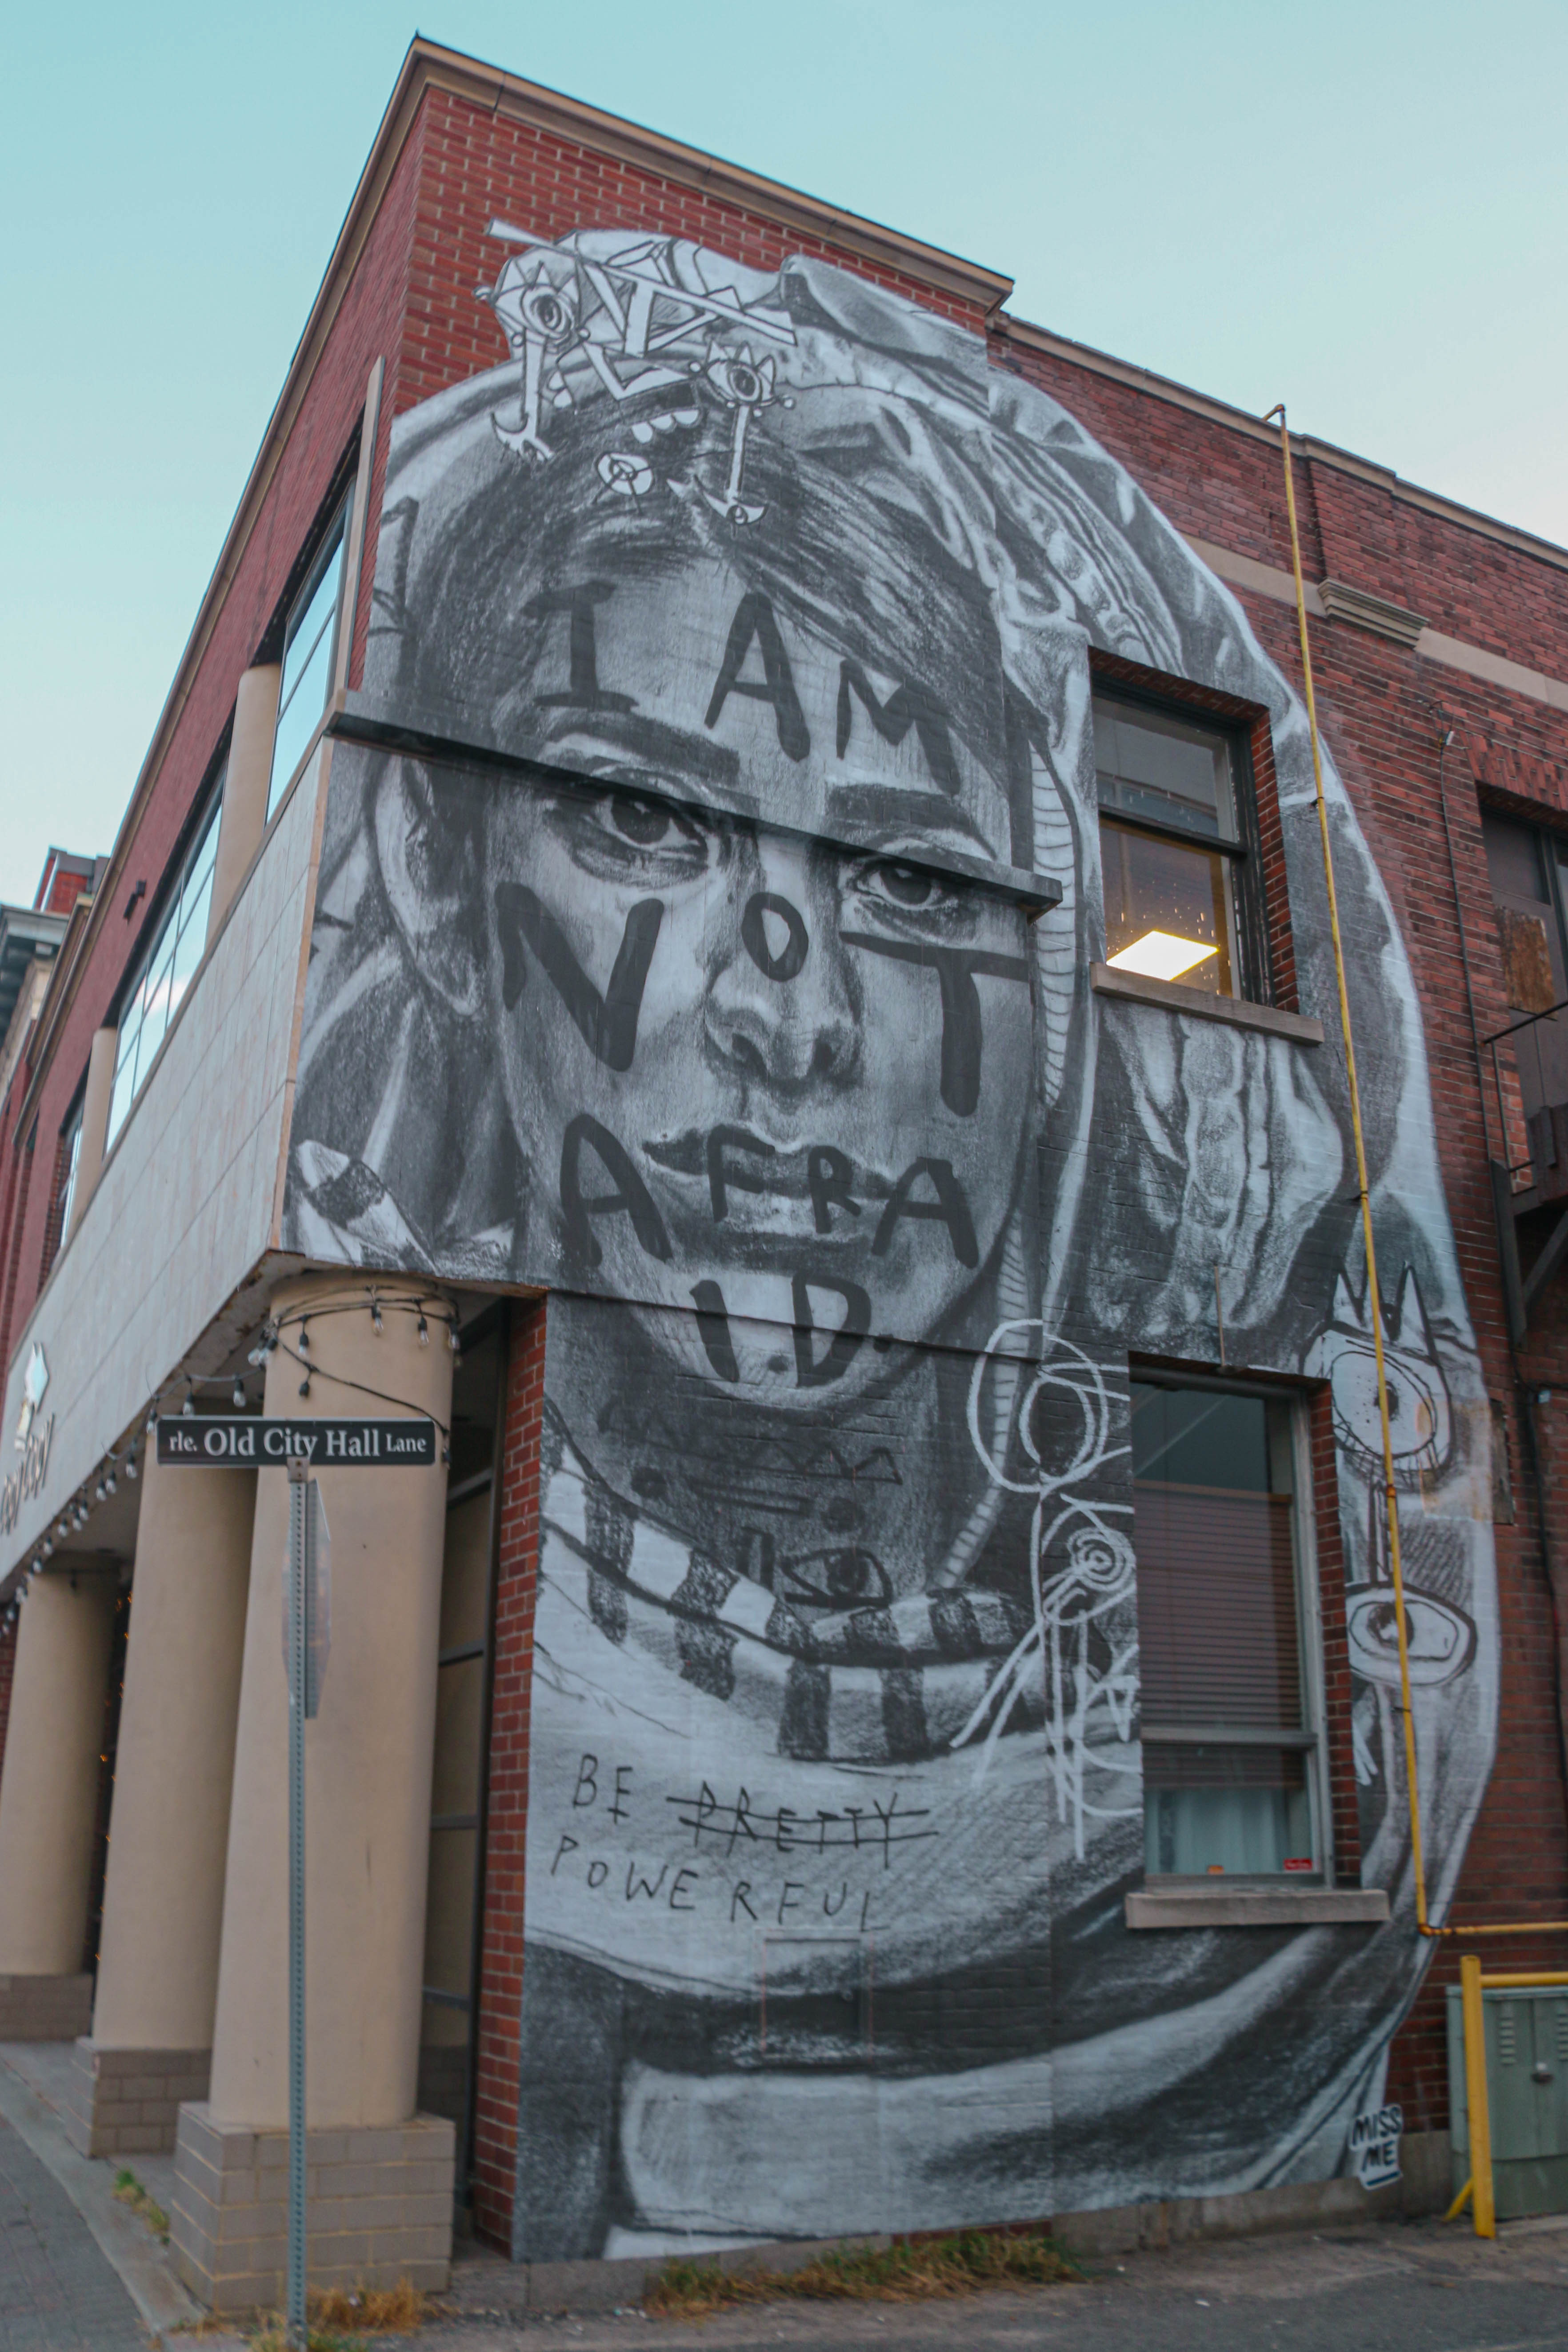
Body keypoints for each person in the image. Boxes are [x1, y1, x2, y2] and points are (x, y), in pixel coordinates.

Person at [286, 230, 1496, 2253]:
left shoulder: (1288, 1392)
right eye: (648, 822)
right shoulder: (415, 1277)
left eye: (919, 877)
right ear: (435, 861)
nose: (790, 1012)